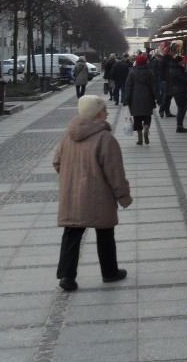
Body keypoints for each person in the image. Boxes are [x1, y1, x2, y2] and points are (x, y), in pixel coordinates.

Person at [53, 95, 132, 292]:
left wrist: (71, 177)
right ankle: (109, 271)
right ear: (96, 114)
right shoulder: (105, 138)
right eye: (104, 110)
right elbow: (115, 171)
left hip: (72, 195)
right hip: (99, 194)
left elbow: (57, 162)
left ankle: (67, 276)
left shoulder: (67, 136)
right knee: (105, 232)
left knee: (71, 233)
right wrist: (123, 196)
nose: (107, 113)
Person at [123, 53, 158, 145]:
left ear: (137, 63)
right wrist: (158, 98)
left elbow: (128, 87)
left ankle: (140, 138)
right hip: (148, 98)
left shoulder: (132, 73)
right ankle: (146, 128)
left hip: (135, 100)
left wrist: (126, 100)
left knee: (137, 118)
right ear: (146, 63)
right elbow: (154, 87)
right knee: (147, 116)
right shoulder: (150, 73)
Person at [169, 55, 187, 133]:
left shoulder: (172, 69)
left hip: (176, 90)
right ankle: (179, 127)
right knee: (182, 108)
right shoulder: (178, 70)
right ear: (179, 62)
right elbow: (184, 79)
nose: (183, 63)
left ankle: (180, 126)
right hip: (181, 91)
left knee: (180, 108)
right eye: (182, 61)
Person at [158, 50, 174, 118]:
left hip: (164, 82)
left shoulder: (162, 62)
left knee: (167, 97)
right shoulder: (166, 65)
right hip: (166, 82)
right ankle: (162, 110)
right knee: (167, 97)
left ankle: (167, 112)